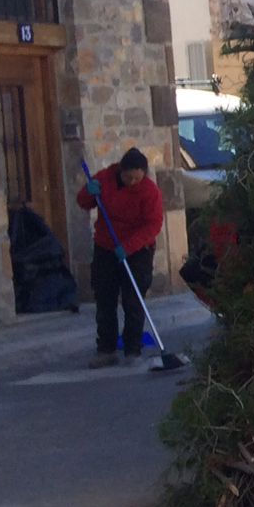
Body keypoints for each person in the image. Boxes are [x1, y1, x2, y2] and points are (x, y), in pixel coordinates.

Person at [77, 148, 164, 368]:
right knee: (105, 298)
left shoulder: (150, 191)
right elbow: (83, 201)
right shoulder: (104, 179)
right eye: (128, 177)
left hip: (137, 250)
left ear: (144, 174)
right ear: (121, 171)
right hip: (106, 246)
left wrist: (129, 246)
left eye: (137, 177)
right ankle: (106, 349)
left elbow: (153, 224)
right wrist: (89, 191)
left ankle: (132, 349)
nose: (132, 182)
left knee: (133, 299)